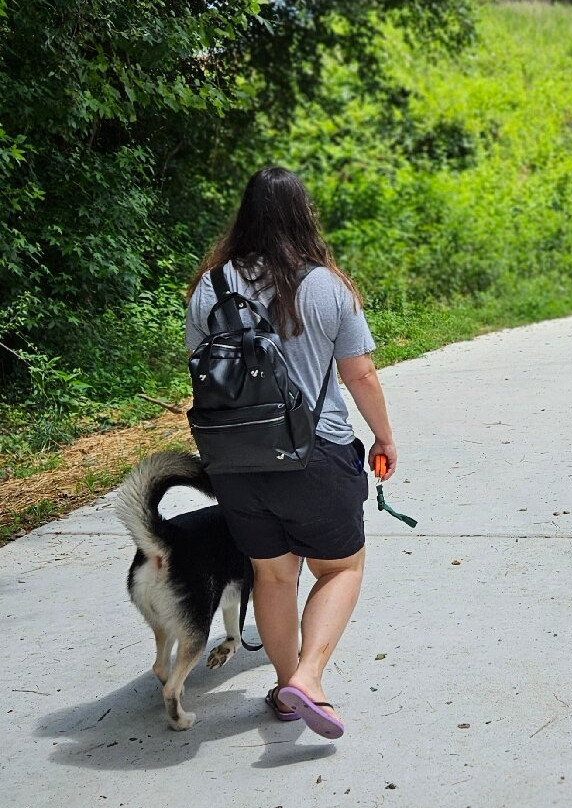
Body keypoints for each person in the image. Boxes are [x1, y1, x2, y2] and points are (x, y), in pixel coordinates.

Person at [184, 166, 396, 739]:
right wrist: (384, 437)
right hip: (315, 454)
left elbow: (202, 370)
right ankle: (308, 677)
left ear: (245, 215)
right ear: (304, 215)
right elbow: (360, 374)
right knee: (341, 567)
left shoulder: (211, 287)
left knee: (272, 577)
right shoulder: (326, 286)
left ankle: (284, 689)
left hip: (237, 462)